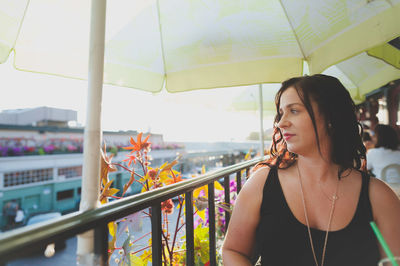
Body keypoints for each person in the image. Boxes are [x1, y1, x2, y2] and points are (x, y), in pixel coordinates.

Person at [222, 74, 400, 265]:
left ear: (330, 116)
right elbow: (233, 250)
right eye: (281, 113)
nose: (281, 123)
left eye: (294, 111)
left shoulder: (378, 196)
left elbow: (393, 261)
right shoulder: (262, 183)